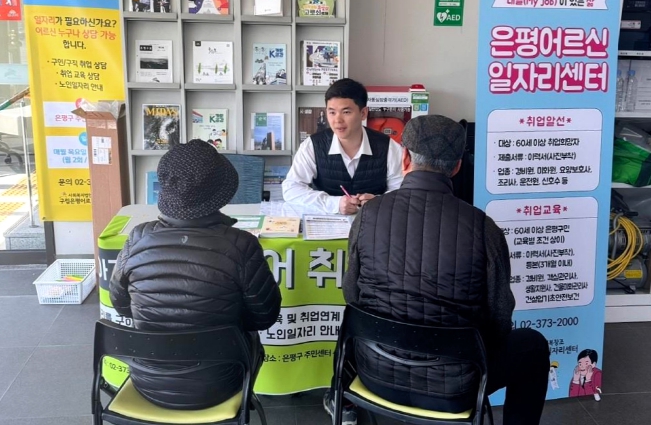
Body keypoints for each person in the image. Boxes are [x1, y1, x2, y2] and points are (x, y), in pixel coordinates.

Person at [323, 115, 550, 425]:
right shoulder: (484, 228)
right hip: (457, 389)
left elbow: (352, 293)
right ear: (457, 167)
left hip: (374, 372)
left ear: (405, 157)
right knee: (532, 345)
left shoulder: (368, 214)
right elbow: (499, 317)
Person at [109, 139, 281, 410]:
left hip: (149, 383)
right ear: (221, 192)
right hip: (220, 383)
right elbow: (264, 316)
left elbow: (121, 305)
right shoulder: (241, 244)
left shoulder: (138, 237)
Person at [282, 78, 403, 215]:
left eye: (346, 112)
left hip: (374, 223)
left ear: (363, 113)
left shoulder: (389, 147)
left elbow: (402, 192)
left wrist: (379, 202)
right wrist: (334, 203)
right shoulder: (313, 145)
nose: (337, 120)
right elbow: (291, 188)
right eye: (332, 112)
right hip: (326, 223)